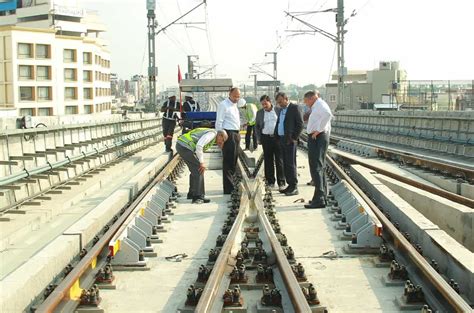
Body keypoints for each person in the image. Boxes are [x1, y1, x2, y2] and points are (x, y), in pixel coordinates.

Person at [176, 128, 228, 204]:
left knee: (194, 170)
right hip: (185, 146)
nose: (221, 142)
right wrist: (202, 163)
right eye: (222, 140)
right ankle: (198, 197)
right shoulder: (212, 134)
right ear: (219, 135)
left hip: (182, 145)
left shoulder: (212, 137)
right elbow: (199, 146)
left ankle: (192, 193)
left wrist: (200, 161)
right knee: (199, 169)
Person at [303, 90, 333, 208]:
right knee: (319, 166)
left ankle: (319, 199)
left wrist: (319, 130)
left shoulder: (320, 104)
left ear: (311, 98)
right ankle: (321, 197)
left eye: (306, 101)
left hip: (319, 137)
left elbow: (328, 115)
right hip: (318, 137)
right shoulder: (318, 105)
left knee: (316, 167)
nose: (306, 104)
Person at [274, 92, 303, 196]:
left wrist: (294, 138)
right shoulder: (282, 110)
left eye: (280, 102)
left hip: (289, 141)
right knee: (285, 164)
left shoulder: (294, 108)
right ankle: (289, 185)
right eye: (278, 102)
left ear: (286, 99)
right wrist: (276, 135)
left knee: (290, 164)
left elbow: (300, 124)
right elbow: (279, 123)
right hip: (281, 139)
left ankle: (294, 186)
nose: (279, 104)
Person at [255, 95, 285, 190]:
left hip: (278, 138)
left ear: (270, 102)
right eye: (262, 104)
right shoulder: (259, 113)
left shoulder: (278, 110)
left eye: (265, 103)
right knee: (268, 161)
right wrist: (259, 138)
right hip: (266, 138)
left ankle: (281, 182)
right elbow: (257, 126)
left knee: (279, 160)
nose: (264, 105)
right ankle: (270, 182)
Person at [215, 87, 242, 194]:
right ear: (229, 94)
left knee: (234, 161)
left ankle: (232, 185)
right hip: (228, 134)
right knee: (228, 161)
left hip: (235, 134)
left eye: (238, 96)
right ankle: (228, 188)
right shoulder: (223, 105)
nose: (237, 98)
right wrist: (220, 134)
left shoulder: (235, 105)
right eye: (235, 96)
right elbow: (219, 121)